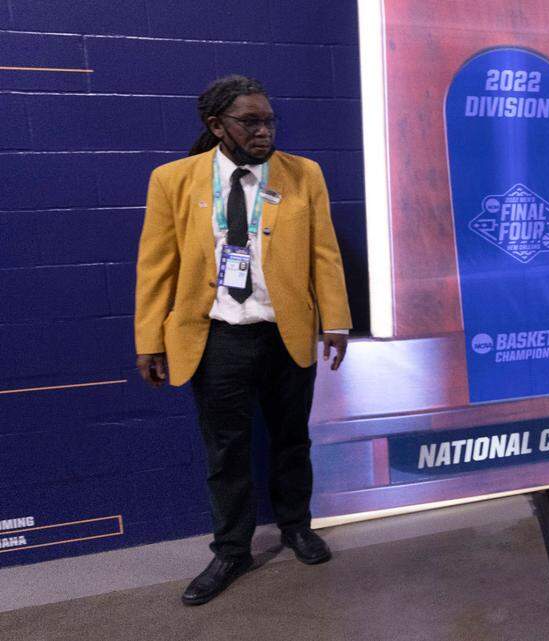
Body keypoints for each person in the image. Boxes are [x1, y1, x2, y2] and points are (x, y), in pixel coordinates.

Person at [134, 75, 353, 606]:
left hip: (286, 332)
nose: (264, 130)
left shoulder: (304, 174)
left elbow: (324, 251)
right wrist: (149, 339)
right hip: (216, 339)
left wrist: (337, 320)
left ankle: (296, 527)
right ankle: (231, 549)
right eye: (250, 122)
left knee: (291, 439)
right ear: (216, 126)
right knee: (227, 450)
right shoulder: (173, 179)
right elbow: (156, 264)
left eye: (269, 119)